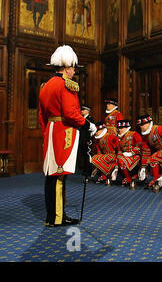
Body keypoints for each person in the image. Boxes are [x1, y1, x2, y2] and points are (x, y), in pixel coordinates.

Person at [39, 45, 96, 227]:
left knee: (52, 175)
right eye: (73, 68)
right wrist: (88, 124)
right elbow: (71, 114)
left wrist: (46, 132)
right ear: (66, 67)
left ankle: (55, 214)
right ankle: (56, 217)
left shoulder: (45, 86)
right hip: (63, 132)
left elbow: (42, 116)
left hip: (51, 131)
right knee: (59, 176)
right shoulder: (66, 85)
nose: (73, 71)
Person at [136, 114, 162, 190]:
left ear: (149, 123)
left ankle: (156, 179)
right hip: (158, 154)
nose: (142, 126)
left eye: (144, 124)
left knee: (153, 158)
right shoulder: (144, 136)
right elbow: (146, 151)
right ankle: (155, 179)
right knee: (149, 158)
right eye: (140, 125)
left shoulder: (160, 130)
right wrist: (143, 167)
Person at [115, 120, 144, 186]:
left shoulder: (134, 134)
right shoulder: (119, 137)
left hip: (135, 155)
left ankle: (132, 176)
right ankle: (127, 177)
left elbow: (139, 145)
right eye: (119, 128)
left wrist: (132, 153)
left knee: (121, 160)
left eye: (121, 128)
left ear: (126, 127)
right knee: (119, 160)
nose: (120, 130)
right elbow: (119, 149)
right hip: (124, 155)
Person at [77, 105, 95, 178]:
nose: (82, 111)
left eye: (83, 110)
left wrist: (88, 140)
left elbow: (90, 130)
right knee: (83, 155)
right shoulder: (81, 118)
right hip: (82, 139)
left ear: (88, 111)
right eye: (81, 110)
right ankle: (84, 169)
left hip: (87, 140)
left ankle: (88, 171)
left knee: (88, 155)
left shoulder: (90, 119)